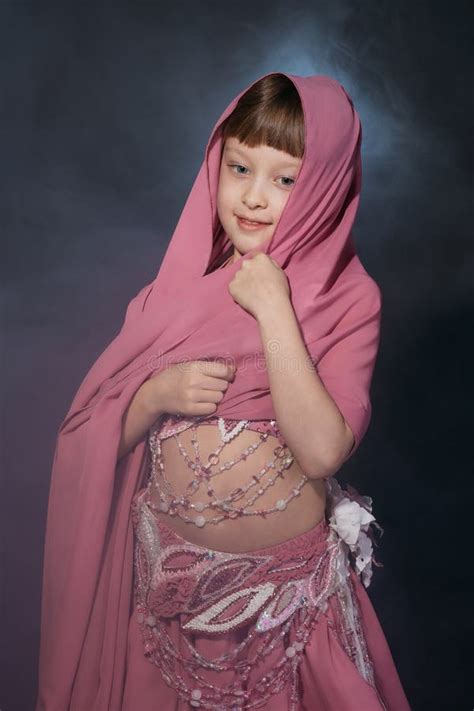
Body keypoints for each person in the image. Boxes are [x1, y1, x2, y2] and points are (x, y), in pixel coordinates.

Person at [36, 72, 411, 710]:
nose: (254, 198)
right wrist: (152, 397)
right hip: (164, 610)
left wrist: (273, 310)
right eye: (239, 168)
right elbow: (86, 438)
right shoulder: (174, 294)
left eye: (285, 179)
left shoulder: (350, 299)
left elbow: (322, 452)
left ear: (324, 185)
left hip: (287, 615)